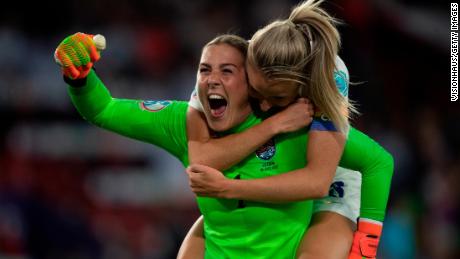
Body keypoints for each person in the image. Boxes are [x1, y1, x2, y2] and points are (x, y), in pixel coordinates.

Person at [55, 32, 323, 258]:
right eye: (204, 70)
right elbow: (104, 110)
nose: (212, 79)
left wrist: (365, 221)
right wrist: (79, 78)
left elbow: (362, 161)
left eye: (227, 71)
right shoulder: (180, 122)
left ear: (251, 83)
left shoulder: (294, 116)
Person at [180, 1, 393, 258]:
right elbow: (202, 159)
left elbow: (317, 181)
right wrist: (275, 123)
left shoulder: (328, 78)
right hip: (264, 173)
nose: (265, 104)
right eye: (255, 93)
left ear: (303, 84)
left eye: (278, 98)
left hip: (327, 190)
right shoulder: (234, 65)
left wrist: (365, 248)